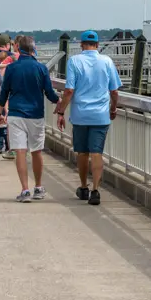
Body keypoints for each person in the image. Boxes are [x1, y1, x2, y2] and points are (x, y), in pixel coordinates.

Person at [53, 31, 121, 206]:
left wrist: (61, 111)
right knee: (97, 152)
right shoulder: (107, 61)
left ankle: (83, 187)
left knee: (82, 152)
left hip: (80, 115)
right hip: (100, 115)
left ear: (82, 45)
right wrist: (113, 108)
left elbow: (69, 91)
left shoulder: (74, 61)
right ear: (97, 45)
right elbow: (114, 91)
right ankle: (96, 190)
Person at [0, 36, 59, 202]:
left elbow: (4, 92)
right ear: (34, 49)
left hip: (16, 114)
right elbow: (49, 92)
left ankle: (25, 190)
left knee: (20, 151)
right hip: (35, 114)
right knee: (36, 151)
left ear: (18, 48)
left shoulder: (11, 68)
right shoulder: (41, 68)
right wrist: (59, 103)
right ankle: (38, 187)